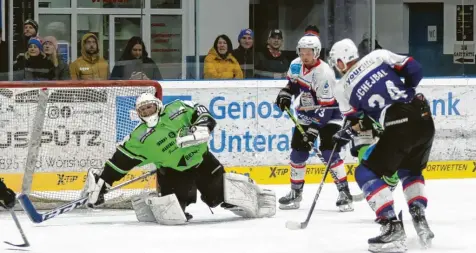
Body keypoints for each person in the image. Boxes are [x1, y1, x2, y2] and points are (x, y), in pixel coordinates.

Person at [82, 93, 276, 225]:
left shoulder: (177, 109)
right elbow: (119, 163)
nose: (147, 112)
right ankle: (154, 200)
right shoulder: (138, 138)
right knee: (173, 216)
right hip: (174, 174)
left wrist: (202, 126)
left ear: (158, 106)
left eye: (149, 107)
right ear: (138, 114)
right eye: (143, 110)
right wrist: (104, 182)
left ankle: (254, 193)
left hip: (203, 162)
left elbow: (201, 111)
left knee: (221, 198)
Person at [328, 38, 434, 252]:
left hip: (398, 125)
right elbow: (415, 69)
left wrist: (346, 133)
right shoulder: (378, 56)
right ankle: (419, 219)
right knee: (410, 169)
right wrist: (403, 94)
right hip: (422, 115)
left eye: (335, 63)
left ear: (340, 62)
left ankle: (391, 228)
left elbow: (358, 122)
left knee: (365, 173)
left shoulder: (342, 88)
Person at [275, 35, 353, 212]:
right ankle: (295, 193)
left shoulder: (324, 73)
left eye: (308, 52)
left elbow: (326, 107)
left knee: (328, 151)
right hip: (307, 111)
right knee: (297, 152)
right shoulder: (295, 64)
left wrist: (314, 128)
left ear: (316, 53)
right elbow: (293, 84)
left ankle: (344, 192)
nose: (305, 56)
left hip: (331, 112)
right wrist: (286, 93)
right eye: (302, 52)